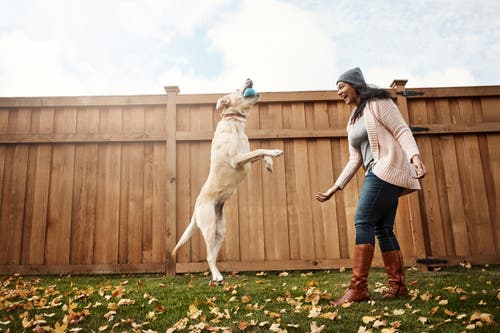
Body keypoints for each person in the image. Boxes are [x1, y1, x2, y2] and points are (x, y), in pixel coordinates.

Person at [315, 67, 426, 305]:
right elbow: (355, 159)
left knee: (363, 220)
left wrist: (415, 158)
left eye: (341, 86)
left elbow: (401, 131)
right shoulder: (352, 120)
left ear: (355, 85)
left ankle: (358, 288)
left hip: (385, 169)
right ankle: (397, 288)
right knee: (383, 229)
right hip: (375, 171)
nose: (338, 92)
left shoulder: (379, 102)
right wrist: (336, 187)